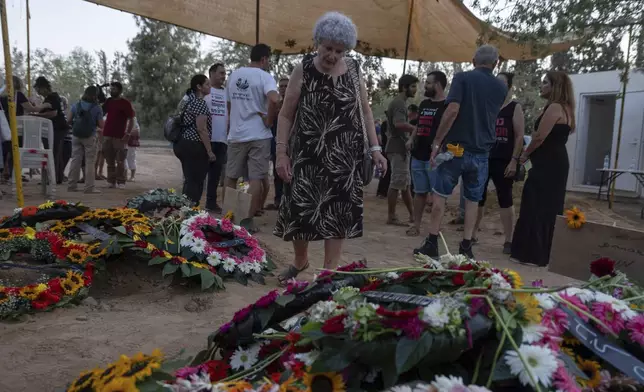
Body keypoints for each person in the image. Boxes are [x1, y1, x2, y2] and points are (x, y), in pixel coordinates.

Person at [274, 12, 386, 284]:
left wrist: (375, 148)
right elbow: (286, 114)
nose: (333, 55)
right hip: (307, 153)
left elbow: (366, 112)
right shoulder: (304, 68)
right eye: (328, 48)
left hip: (344, 157)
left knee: (337, 212)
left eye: (339, 50)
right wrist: (281, 153)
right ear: (317, 43)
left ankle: (328, 272)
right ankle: (300, 260)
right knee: (301, 210)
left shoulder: (354, 68)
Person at [414, 45, 507, 259]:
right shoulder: (501, 88)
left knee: (440, 196)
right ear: (496, 63)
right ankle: (466, 245)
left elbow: (453, 110)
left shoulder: (462, 79)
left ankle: (432, 242)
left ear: (473, 60)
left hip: (455, 150)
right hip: (481, 153)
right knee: (473, 200)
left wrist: (437, 142)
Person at [511, 71, 575, 267]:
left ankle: (532, 253)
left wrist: (524, 154)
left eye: (545, 82)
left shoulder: (555, 107)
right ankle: (544, 252)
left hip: (547, 162)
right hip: (558, 161)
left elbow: (539, 137)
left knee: (535, 202)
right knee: (550, 205)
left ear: (555, 86)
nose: (541, 86)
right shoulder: (568, 109)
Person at [225, 43, 280, 230]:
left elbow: (229, 105)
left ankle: (228, 218)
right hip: (259, 134)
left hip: (236, 134)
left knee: (231, 177)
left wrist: (232, 125)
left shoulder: (233, 75)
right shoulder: (265, 77)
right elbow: (275, 99)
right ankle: (247, 221)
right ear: (264, 59)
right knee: (255, 178)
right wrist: (269, 121)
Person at [472, 72, 525, 254]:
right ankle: (471, 234)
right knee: (478, 197)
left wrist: (514, 161)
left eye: (502, 83)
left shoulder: (514, 107)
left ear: (509, 86)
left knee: (505, 198)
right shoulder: (487, 105)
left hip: (504, 160)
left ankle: (509, 240)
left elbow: (519, 137)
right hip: (483, 158)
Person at [405, 71, 447, 237]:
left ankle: (434, 230)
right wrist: (411, 139)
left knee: (437, 194)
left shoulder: (447, 105)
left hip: (435, 157)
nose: (425, 86)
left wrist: (441, 148)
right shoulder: (424, 104)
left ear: (437, 85)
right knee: (419, 192)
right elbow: (418, 125)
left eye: (428, 83)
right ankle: (416, 225)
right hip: (418, 154)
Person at [174, 74, 216, 205]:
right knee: (196, 180)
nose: (210, 87)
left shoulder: (187, 100)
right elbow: (201, 129)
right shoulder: (199, 103)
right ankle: (190, 211)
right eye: (207, 84)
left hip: (182, 142)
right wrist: (209, 151)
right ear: (199, 87)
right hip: (194, 145)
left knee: (189, 179)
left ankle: (185, 208)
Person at [0, 75, 51, 182]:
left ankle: (5, 173)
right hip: (16, 127)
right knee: (16, 151)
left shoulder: (2, 95)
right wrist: (44, 105)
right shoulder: (18, 95)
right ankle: (14, 175)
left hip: (3, 126)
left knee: (5, 150)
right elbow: (31, 109)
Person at [385, 75, 418, 226]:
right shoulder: (399, 103)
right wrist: (415, 128)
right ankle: (391, 216)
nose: (415, 89)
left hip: (400, 147)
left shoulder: (400, 102)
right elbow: (398, 124)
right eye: (412, 86)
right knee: (396, 183)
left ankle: (413, 215)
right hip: (398, 147)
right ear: (404, 87)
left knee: (404, 184)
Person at [67, 86, 104, 193]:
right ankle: (89, 187)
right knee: (90, 162)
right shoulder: (97, 108)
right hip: (89, 136)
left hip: (76, 135)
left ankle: (72, 186)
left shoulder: (76, 105)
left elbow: (68, 120)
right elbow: (101, 125)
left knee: (75, 160)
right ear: (95, 95)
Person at [33, 76, 69, 184]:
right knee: (55, 153)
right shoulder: (52, 98)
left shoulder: (52, 98)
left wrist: (38, 115)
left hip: (57, 128)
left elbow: (53, 113)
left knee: (52, 153)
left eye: (38, 89)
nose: (38, 92)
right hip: (57, 128)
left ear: (44, 88)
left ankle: (52, 177)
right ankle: (57, 177)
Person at [205, 63, 229, 214]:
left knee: (215, 174)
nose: (223, 76)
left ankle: (211, 203)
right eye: (221, 73)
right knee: (199, 173)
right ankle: (190, 202)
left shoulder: (227, 92)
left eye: (224, 74)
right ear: (212, 73)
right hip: (206, 139)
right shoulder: (205, 91)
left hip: (222, 139)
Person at [102, 82, 135, 189]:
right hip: (107, 134)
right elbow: (100, 113)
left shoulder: (125, 103)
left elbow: (131, 119)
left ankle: (121, 181)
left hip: (120, 135)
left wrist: (128, 133)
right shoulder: (108, 101)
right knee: (109, 159)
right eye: (111, 89)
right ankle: (111, 181)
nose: (112, 91)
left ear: (120, 91)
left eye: (114, 89)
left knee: (120, 159)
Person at [265, 76, 289, 211]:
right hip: (276, 142)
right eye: (281, 86)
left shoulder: (295, 102)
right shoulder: (274, 104)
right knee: (277, 171)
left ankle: (289, 200)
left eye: (286, 86)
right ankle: (278, 200)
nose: (284, 88)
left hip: (291, 143)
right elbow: (269, 122)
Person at [376, 117, 391, 198]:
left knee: (386, 171)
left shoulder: (385, 124)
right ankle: (383, 192)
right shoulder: (388, 124)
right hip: (388, 149)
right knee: (387, 171)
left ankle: (381, 192)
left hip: (385, 149)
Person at [125, 117, 140, 181]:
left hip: (131, 143)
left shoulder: (134, 119)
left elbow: (137, 132)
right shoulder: (124, 119)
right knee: (124, 159)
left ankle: (132, 176)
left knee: (131, 158)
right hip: (125, 142)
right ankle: (125, 176)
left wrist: (128, 133)